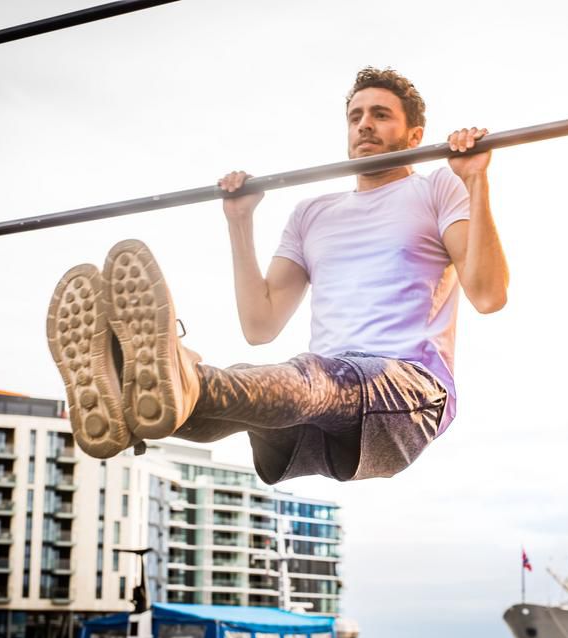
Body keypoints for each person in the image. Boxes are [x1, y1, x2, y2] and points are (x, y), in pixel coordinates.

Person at [46, 67, 508, 484]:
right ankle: (129, 401)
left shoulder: (437, 188)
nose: (364, 124)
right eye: (355, 116)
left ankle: (176, 372)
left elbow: (489, 296)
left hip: (409, 393)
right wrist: (239, 220)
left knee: (308, 378)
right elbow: (260, 325)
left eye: (381, 115)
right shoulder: (312, 213)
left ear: (415, 135)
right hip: (316, 399)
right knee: (247, 392)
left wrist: (475, 180)